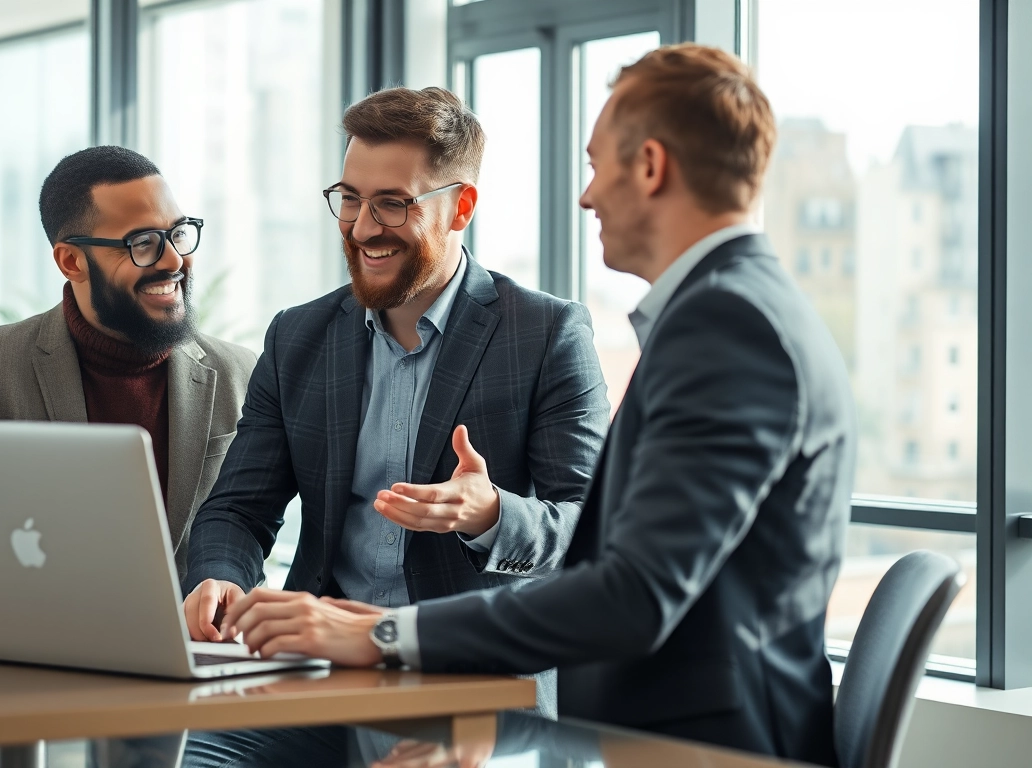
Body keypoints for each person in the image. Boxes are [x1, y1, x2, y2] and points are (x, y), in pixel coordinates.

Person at [223, 44, 855, 767]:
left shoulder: (726, 326)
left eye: (595, 165)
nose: (586, 197)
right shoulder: (740, 310)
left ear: (649, 166)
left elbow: (631, 592)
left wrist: (383, 634)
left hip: (693, 744)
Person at [179, 86, 611, 762]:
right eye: (350, 198)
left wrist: (492, 513)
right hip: (315, 675)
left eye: (393, 203)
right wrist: (221, 578)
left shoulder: (546, 334)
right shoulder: (300, 337)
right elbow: (238, 508)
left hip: (469, 684)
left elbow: (591, 530)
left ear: (460, 206)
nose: (362, 226)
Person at [0, 146, 256, 589]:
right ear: (71, 261)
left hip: (200, 649)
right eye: (142, 243)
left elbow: (253, 529)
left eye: (178, 234)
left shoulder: (242, 373)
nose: (173, 260)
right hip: (38, 643)